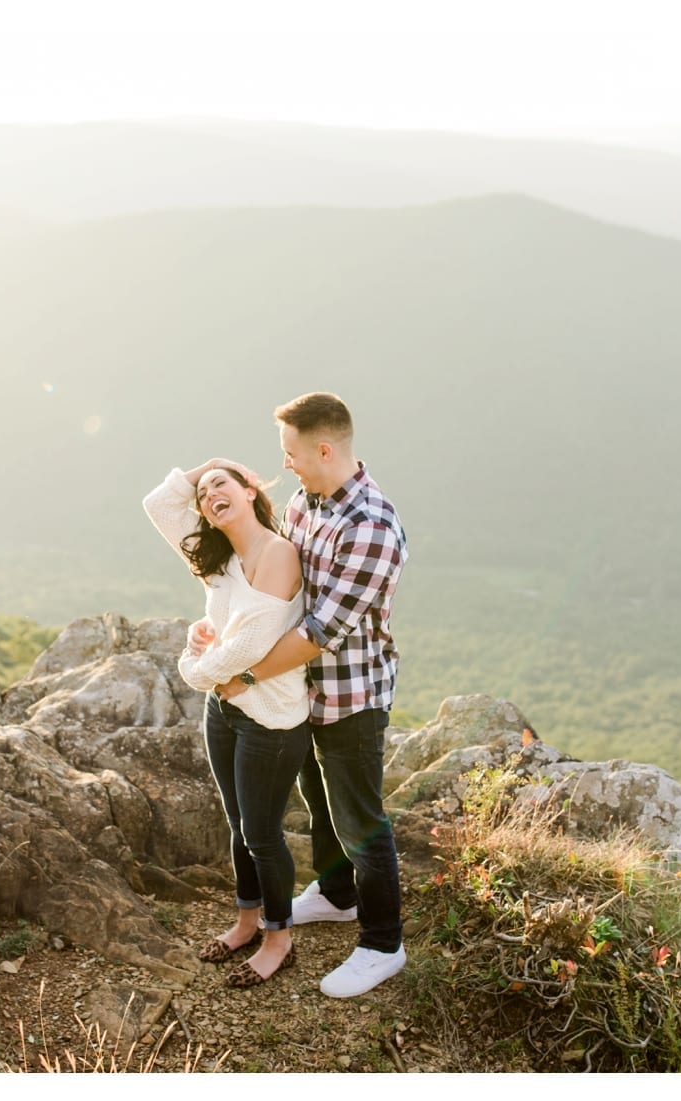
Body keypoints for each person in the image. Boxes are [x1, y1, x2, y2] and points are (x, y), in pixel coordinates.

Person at [215, 392, 408, 998]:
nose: (285, 465)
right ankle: (335, 894)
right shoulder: (307, 500)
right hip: (299, 696)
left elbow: (319, 632)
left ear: (324, 449)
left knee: (359, 820)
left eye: (291, 453)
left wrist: (245, 675)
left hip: (350, 695)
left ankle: (382, 944)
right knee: (316, 798)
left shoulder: (371, 526)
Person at [143, 458, 309, 987]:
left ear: (250, 490)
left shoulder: (277, 553)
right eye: (205, 493)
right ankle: (245, 923)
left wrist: (193, 668)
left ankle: (278, 939)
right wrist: (204, 471)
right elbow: (158, 505)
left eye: (224, 485)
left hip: (273, 721)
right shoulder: (221, 559)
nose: (211, 493)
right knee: (238, 826)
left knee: (262, 833)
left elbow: (250, 645)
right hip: (225, 710)